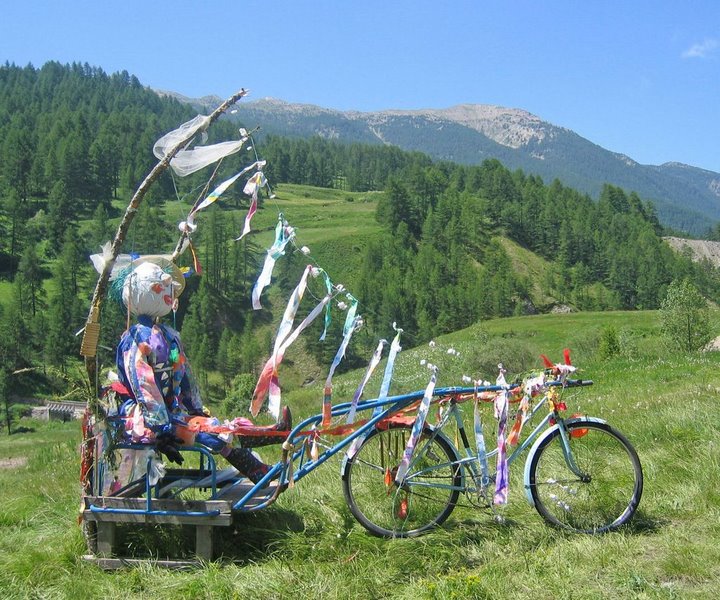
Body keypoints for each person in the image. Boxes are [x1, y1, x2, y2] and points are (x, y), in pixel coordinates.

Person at [109, 255, 290, 484]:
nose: (169, 291)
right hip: (145, 418)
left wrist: (195, 408)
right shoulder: (136, 340)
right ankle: (262, 461)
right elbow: (144, 386)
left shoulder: (167, 335)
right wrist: (161, 429)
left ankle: (268, 446)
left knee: (211, 425)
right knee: (210, 431)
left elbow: (184, 376)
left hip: (170, 413)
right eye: (160, 286)